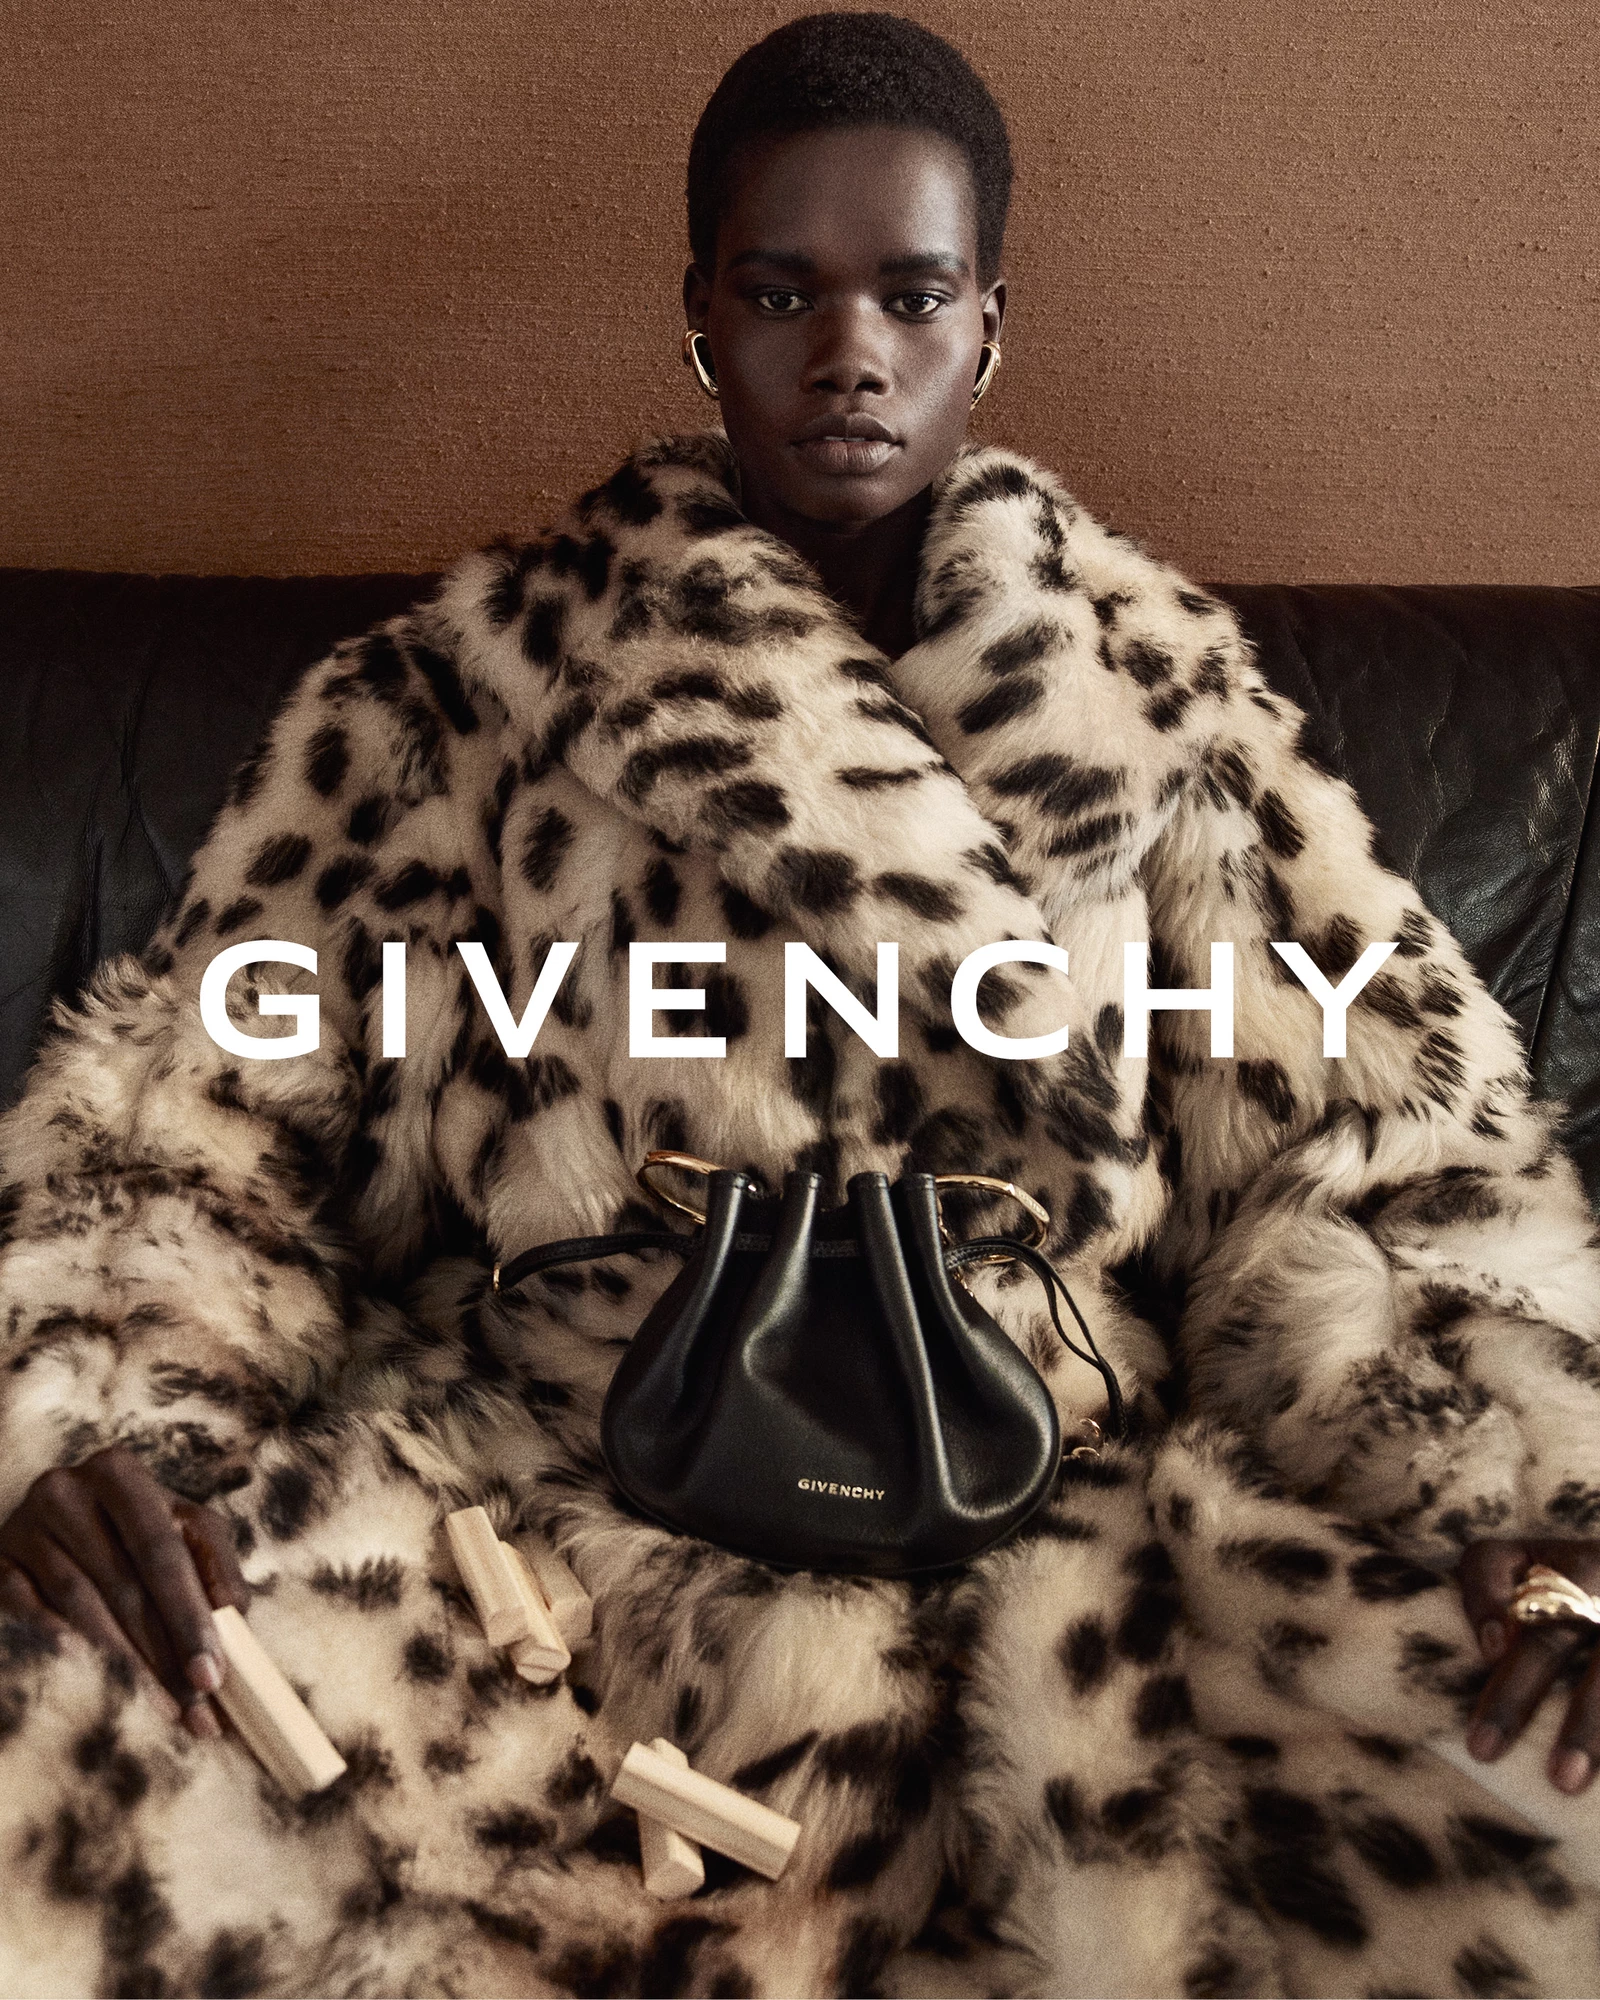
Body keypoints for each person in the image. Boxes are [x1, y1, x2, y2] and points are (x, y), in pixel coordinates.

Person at [2, 13, 1599, 1996]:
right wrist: (103, 1428)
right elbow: (190, 1126)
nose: (849, 352)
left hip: (1060, 1529)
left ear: (987, 324)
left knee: (1532, 1800)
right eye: (781, 292)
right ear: (701, 315)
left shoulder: (1162, 712)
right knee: (70, 1791)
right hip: (545, 1521)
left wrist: (1537, 1499)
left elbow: (1385, 1155)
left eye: (912, 295)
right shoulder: (461, 702)